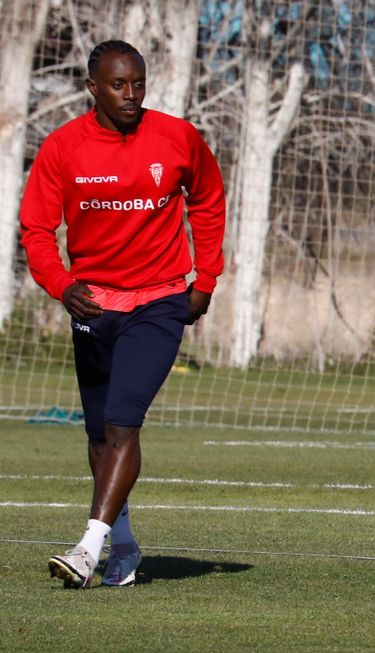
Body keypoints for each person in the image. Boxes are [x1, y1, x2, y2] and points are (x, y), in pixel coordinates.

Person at [20, 40, 226, 589]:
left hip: (159, 301)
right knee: (97, 435)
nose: (131, 94)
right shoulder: (63, 147)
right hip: (93, 304)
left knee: (123, 422)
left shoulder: (177, 137)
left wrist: (205, 278)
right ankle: (125, 544)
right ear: (93, 88)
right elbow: (36, 229)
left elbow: (207, 198)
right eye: (118, 85)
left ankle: (87, 548)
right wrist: (61, 286)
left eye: (138, 83)